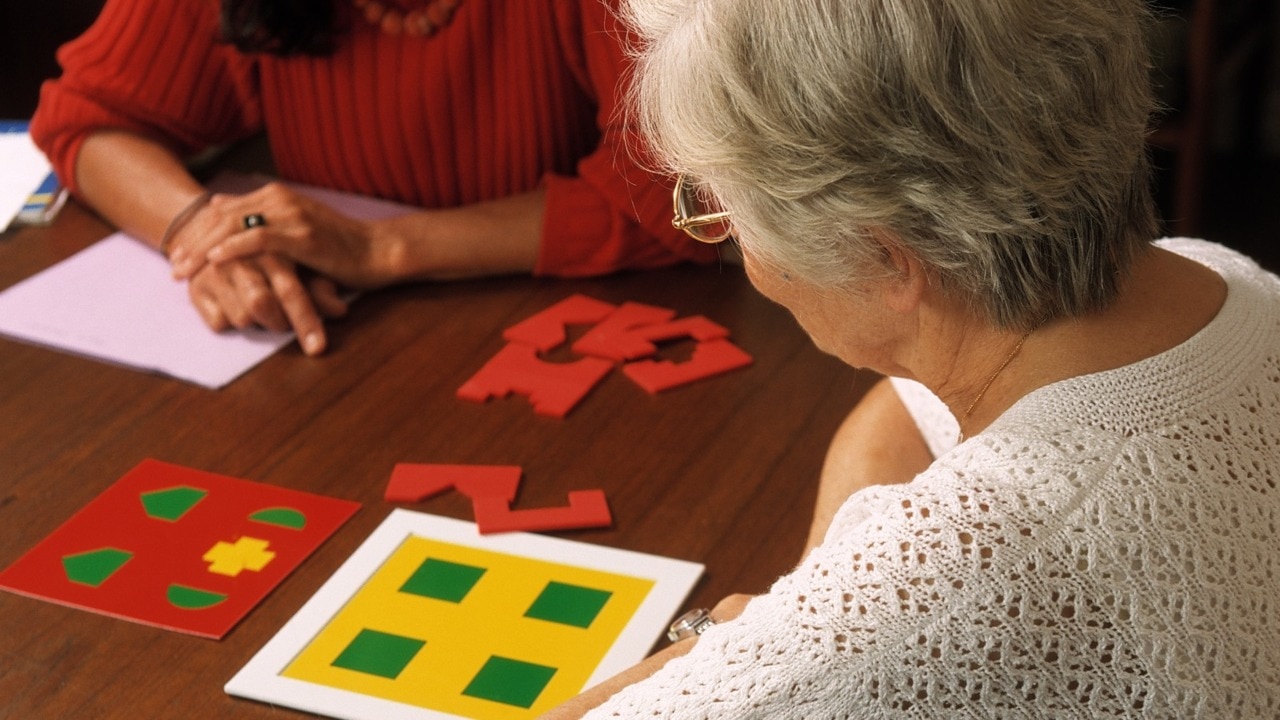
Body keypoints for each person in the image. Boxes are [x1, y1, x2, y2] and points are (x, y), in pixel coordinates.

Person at [544, 0, 1280, 717]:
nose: (738, 247)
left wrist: (759, 642)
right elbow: (905, 403)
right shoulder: (1221, 282)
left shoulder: (936, 597)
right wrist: (819, 587)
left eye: (724, 213)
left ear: (888, 260)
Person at [30, 0, 718, 356]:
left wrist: (382, 249)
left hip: (587, 334)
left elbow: (684, 196)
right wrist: (200, 232)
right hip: (344, 358)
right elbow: (86, 119)